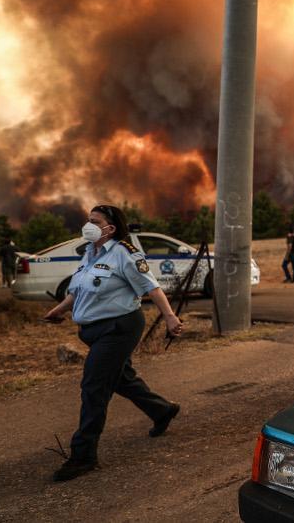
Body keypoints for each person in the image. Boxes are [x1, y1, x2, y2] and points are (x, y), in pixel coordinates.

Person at [42, 204, 183, 481]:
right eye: (88, 219)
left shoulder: (125, 255)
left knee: (94, 386)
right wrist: (59, 310)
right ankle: (162, 410)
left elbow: (151, 287)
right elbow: (78, 290)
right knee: (121, 379)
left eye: (94, 221)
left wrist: (169, 317)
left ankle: (83, 455)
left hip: (119, 329)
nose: (88, 225)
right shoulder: (89, 253)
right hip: (93, 331)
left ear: (110, 228)